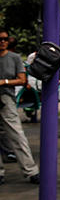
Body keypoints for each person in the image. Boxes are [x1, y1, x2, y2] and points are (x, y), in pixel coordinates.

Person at [0, 28, 40, 185]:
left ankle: (30, 170)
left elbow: (23, 80)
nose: (2, 42)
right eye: (0, 39)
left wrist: (5, 82)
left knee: (16, 134)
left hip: (6, 98)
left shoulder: (14, 58)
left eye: (5, 39)